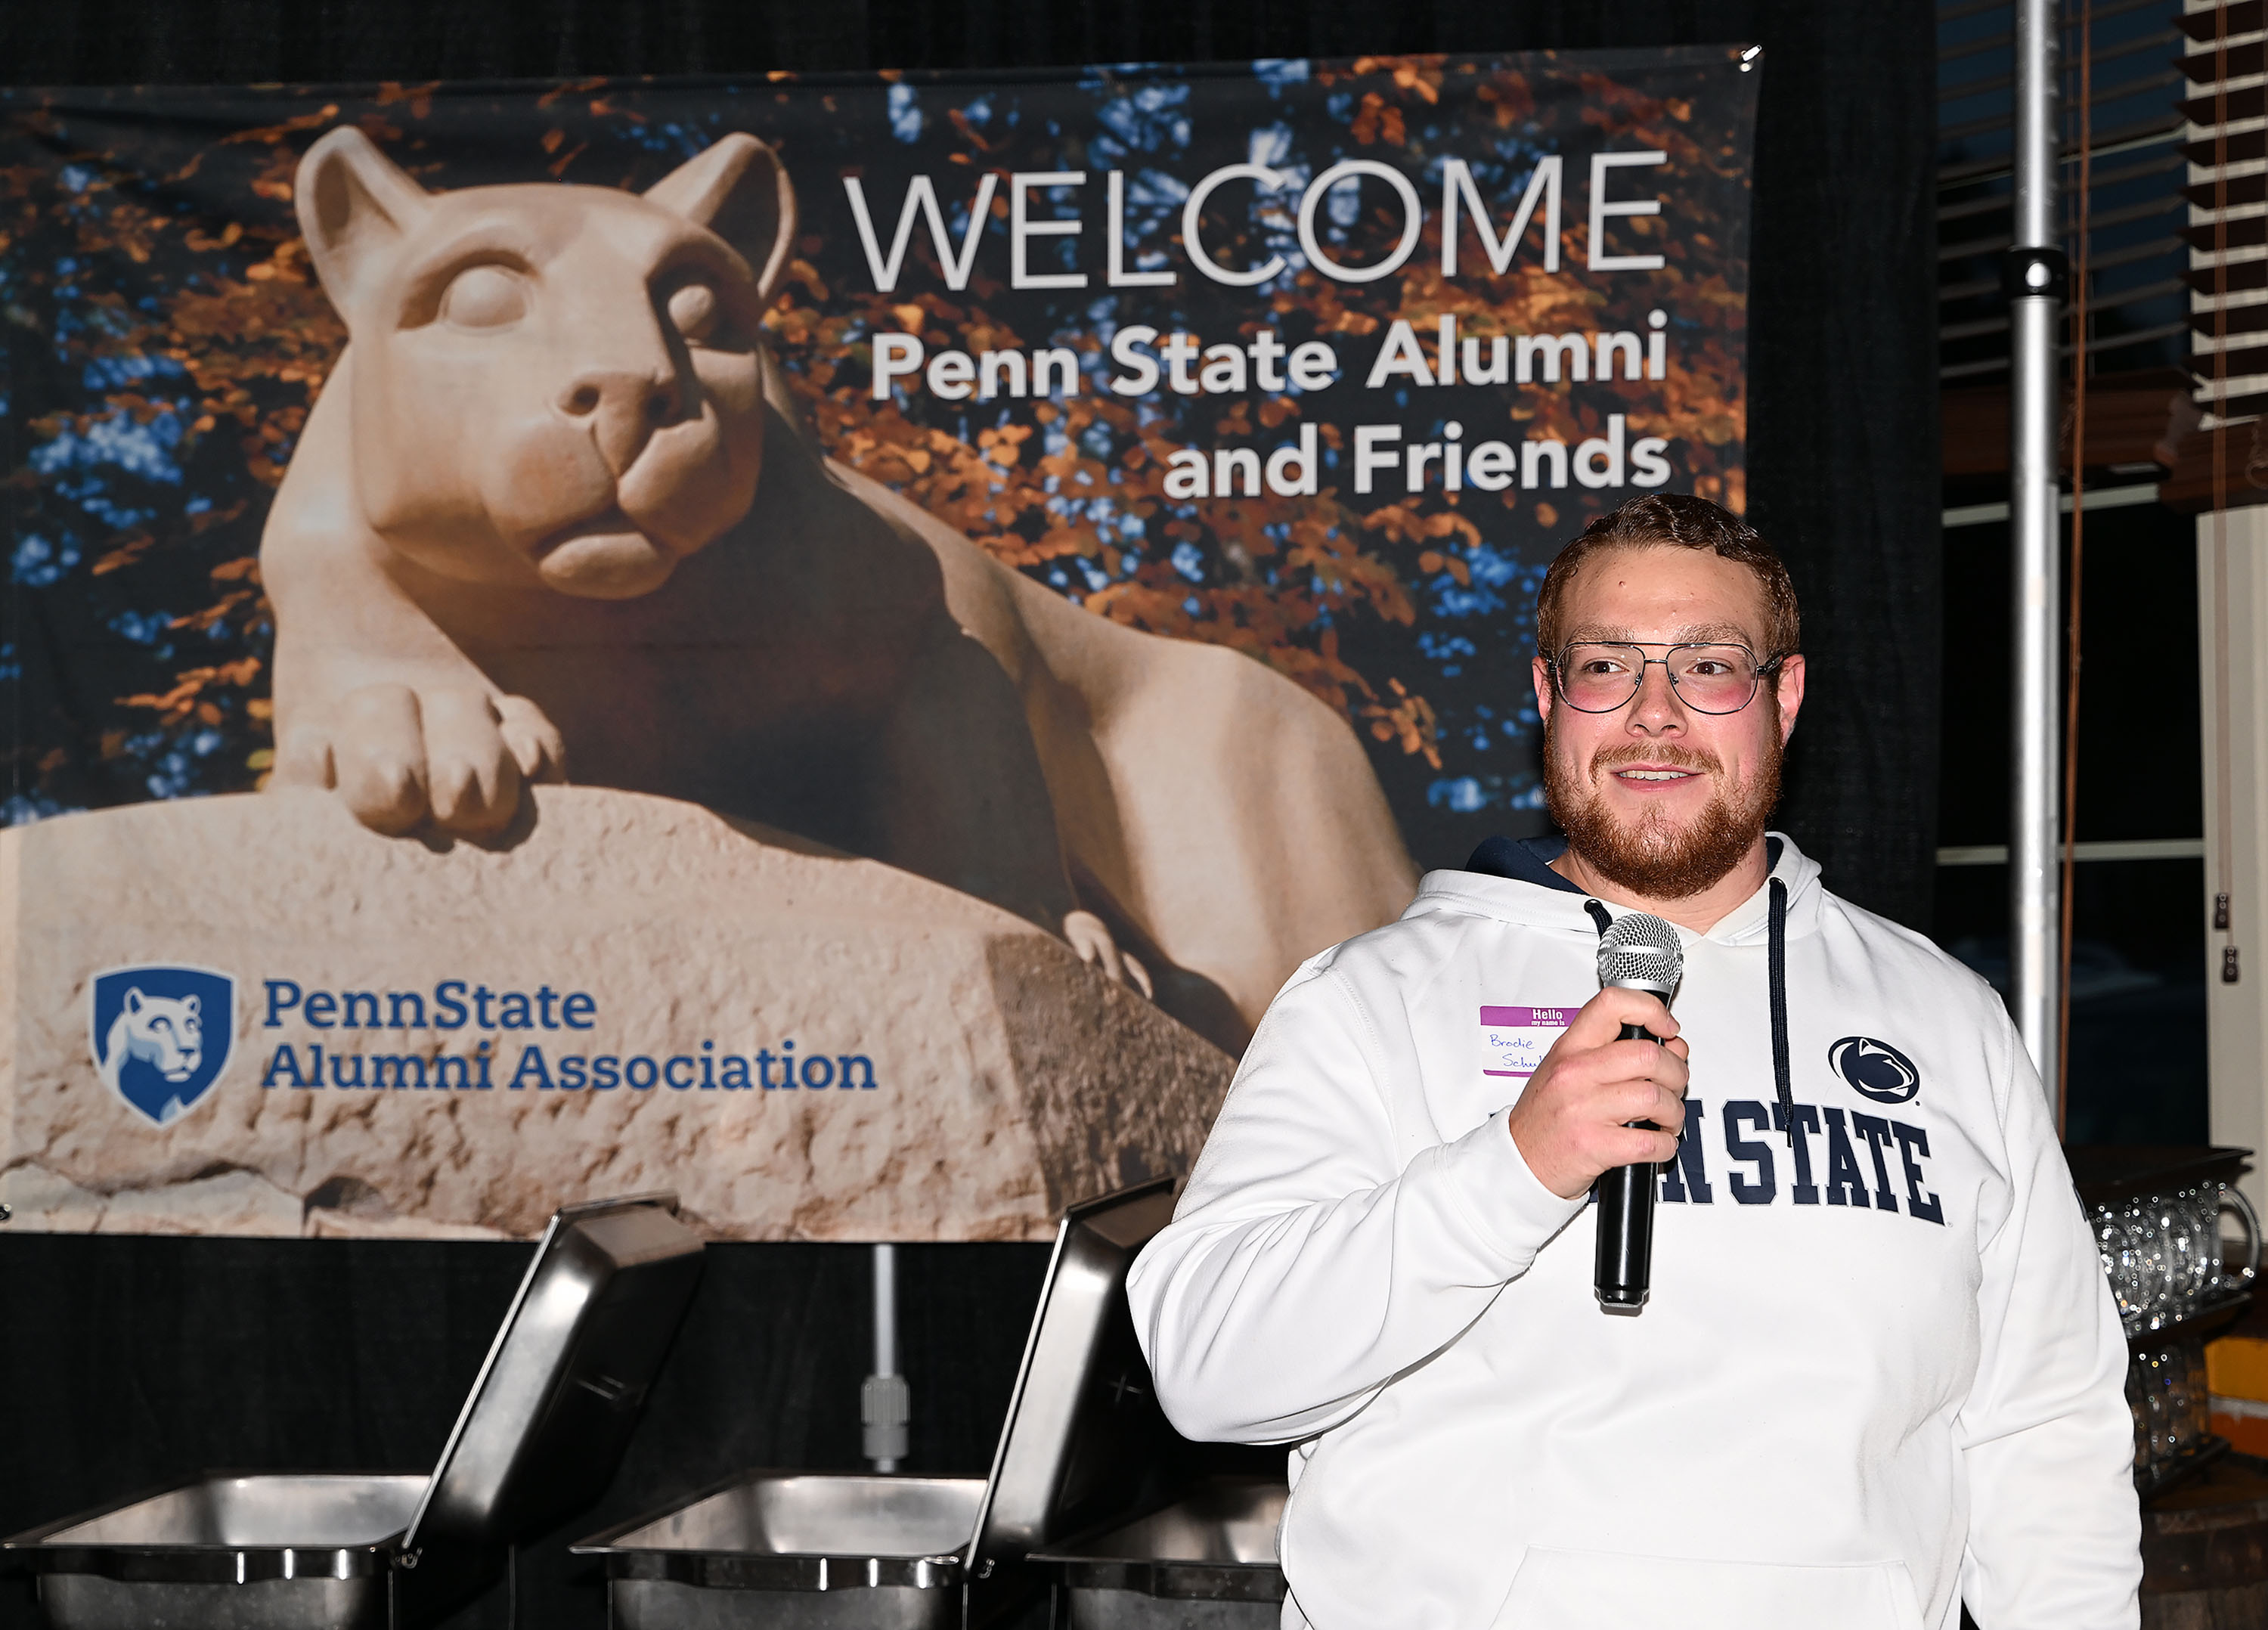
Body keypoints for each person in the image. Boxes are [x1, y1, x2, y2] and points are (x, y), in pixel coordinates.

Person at [1126, 494, 2138, 1629]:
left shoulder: (1947, 1018)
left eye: (1709, 667)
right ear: (1549, 696)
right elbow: (1207, 1368)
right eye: (1607, 666)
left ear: (1783, 697)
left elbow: (2048, 1431)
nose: (1655, 714)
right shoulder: (1372, 1000)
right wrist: (1512, 1169)